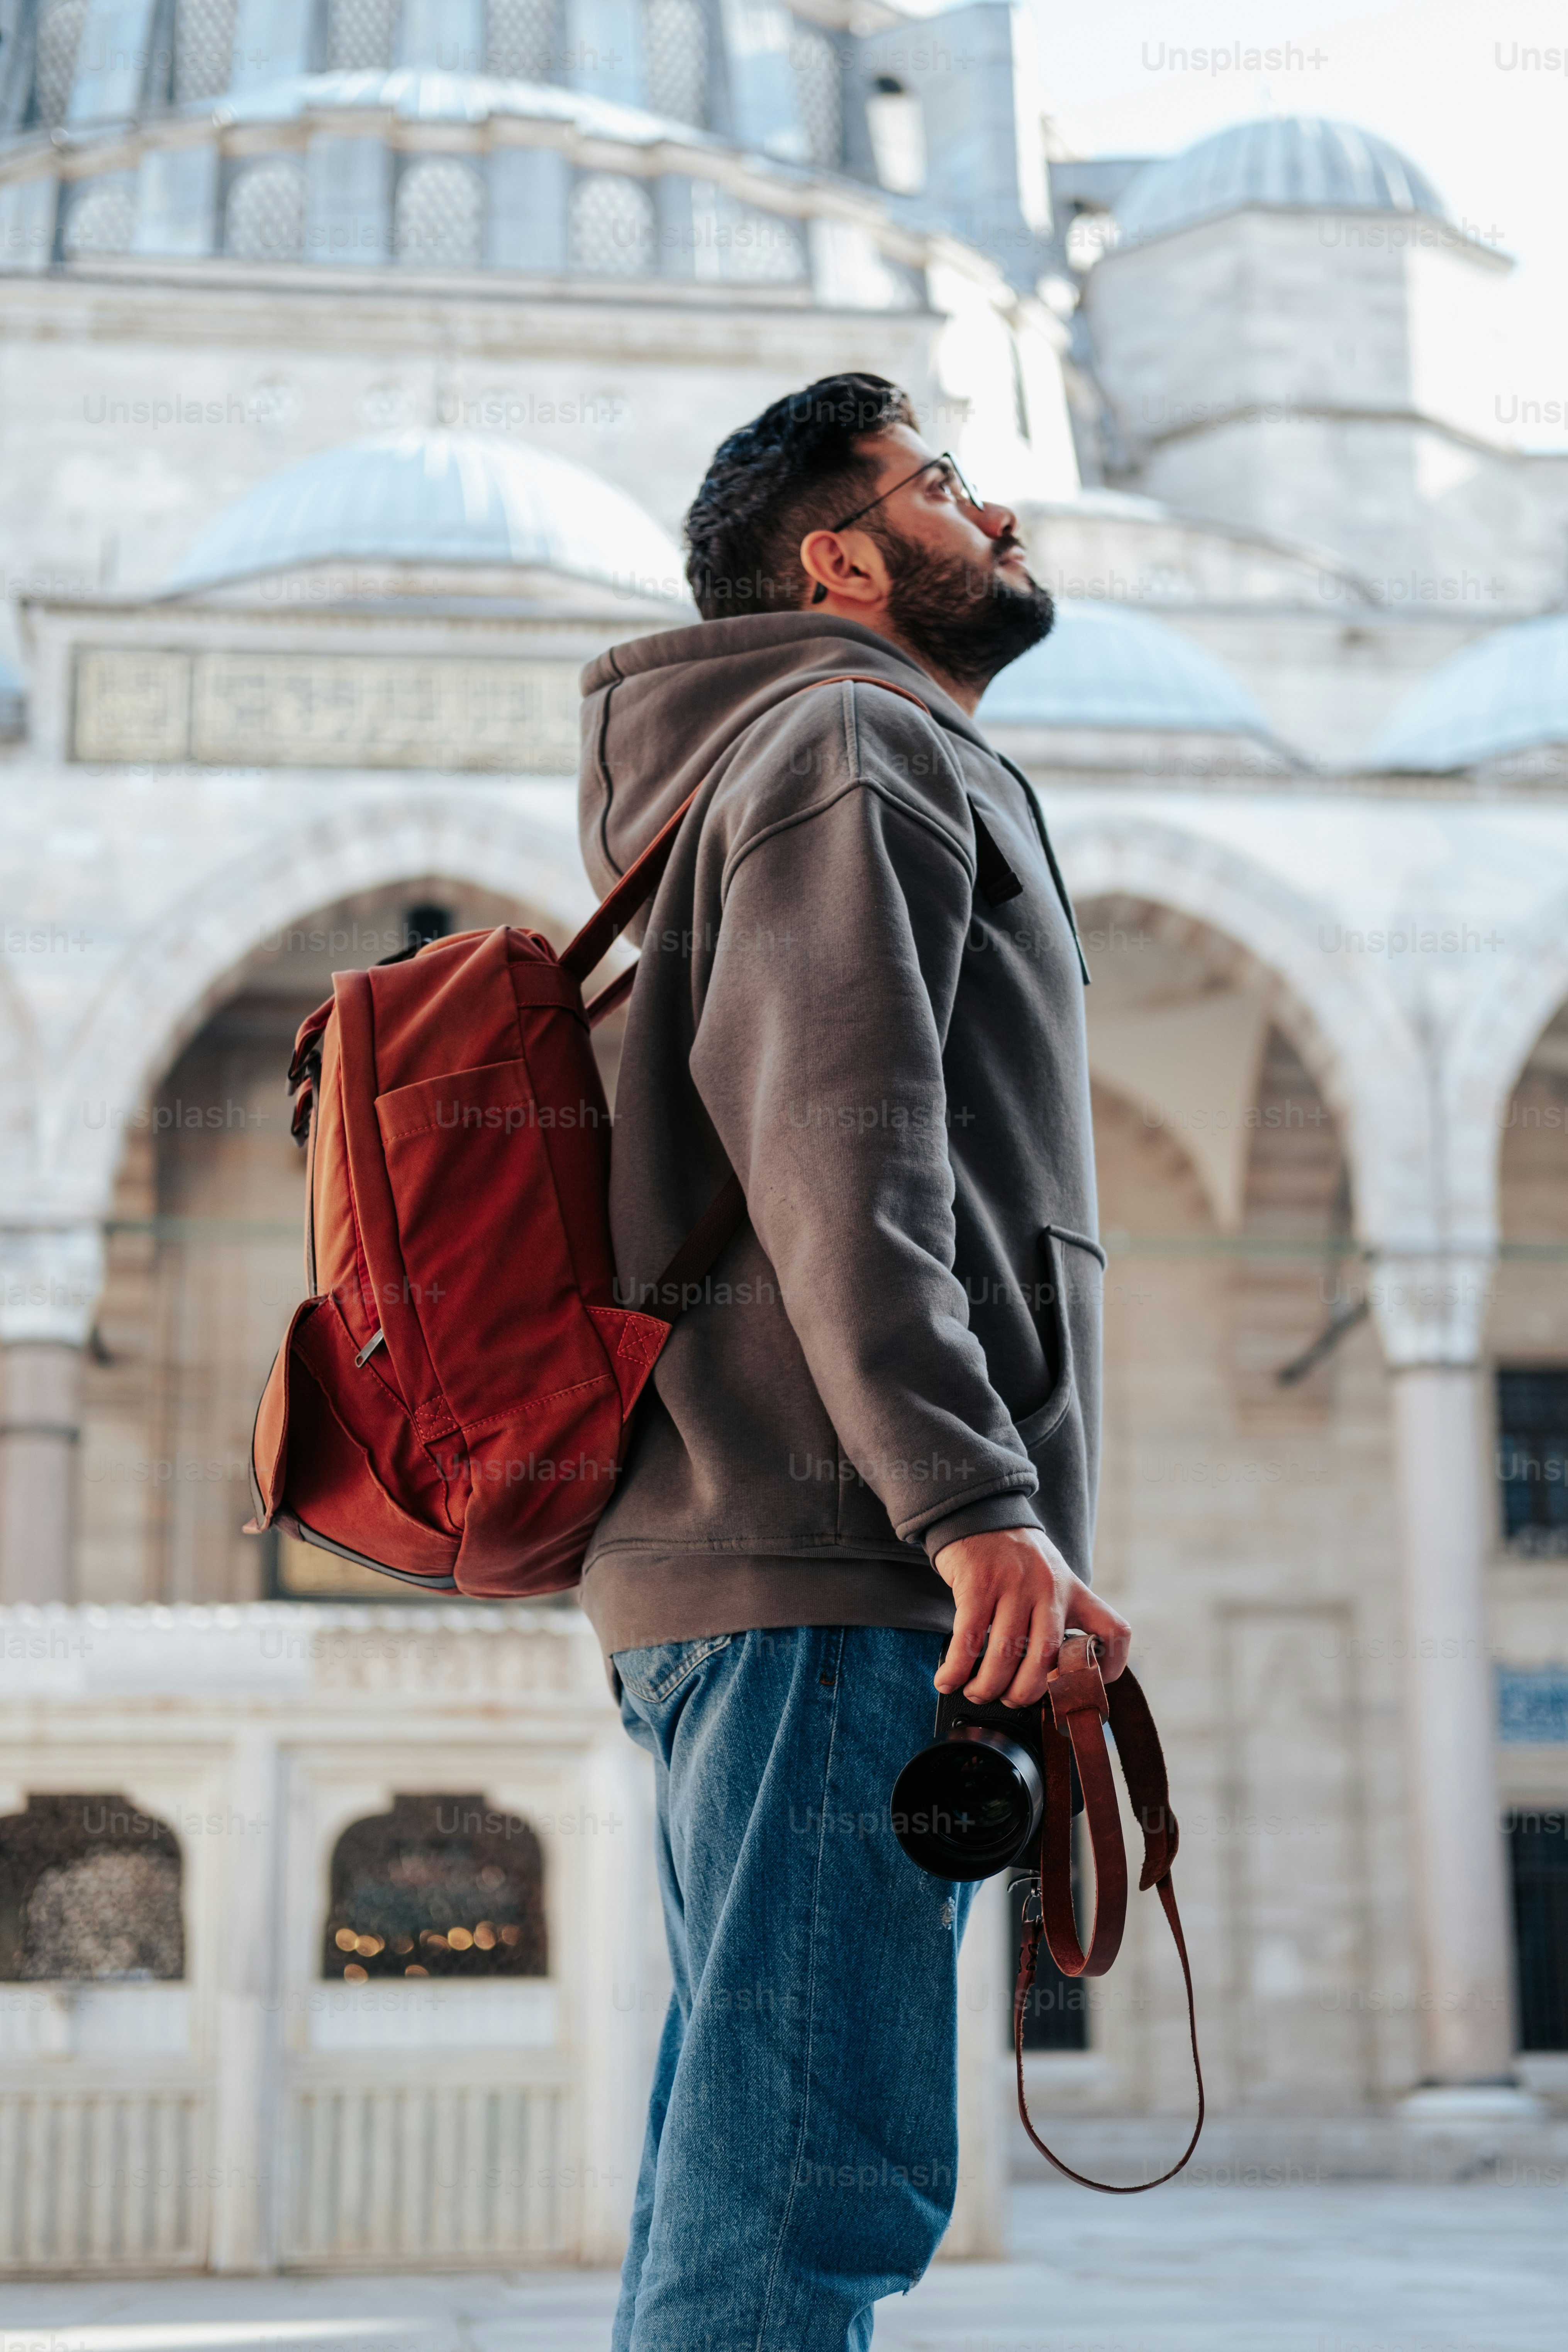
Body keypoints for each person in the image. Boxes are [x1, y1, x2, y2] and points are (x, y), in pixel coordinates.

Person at [576, 373, 1131, 2351]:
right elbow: (844, 1144)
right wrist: (974, 1504)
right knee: (807, 2182)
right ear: (837, 554)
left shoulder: (812, 749)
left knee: (759, 2156)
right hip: (836, 1571)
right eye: (945, 489)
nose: (1000, 519)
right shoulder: (842, 738)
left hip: (802, 1563)